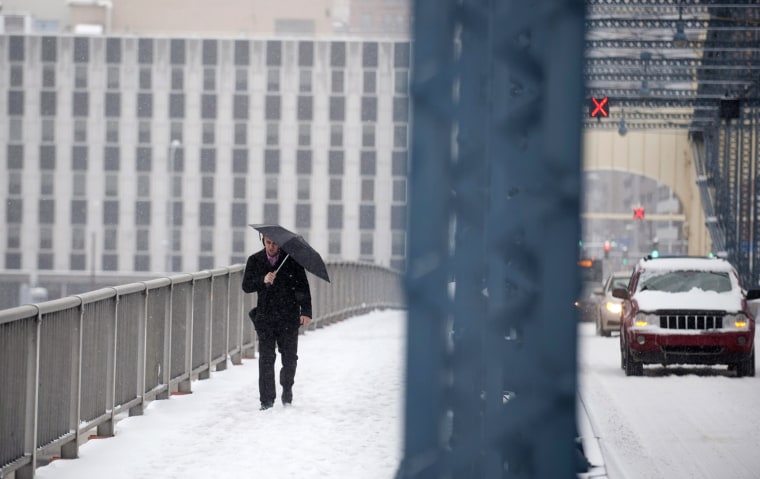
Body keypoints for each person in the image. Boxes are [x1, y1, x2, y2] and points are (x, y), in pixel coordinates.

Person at [242, 235, 312, 410]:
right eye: (268, 242)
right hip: (265, 317)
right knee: (266, 358)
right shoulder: (255, 260)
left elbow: (303, 287)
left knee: (289, 358)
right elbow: (246, 286)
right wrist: (262, 280)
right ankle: (266, 400)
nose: (271, 246)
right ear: (263, 241)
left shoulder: (292, 261)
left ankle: (287, 388)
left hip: (289, 316)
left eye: (275, 243)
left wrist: (306, 312)